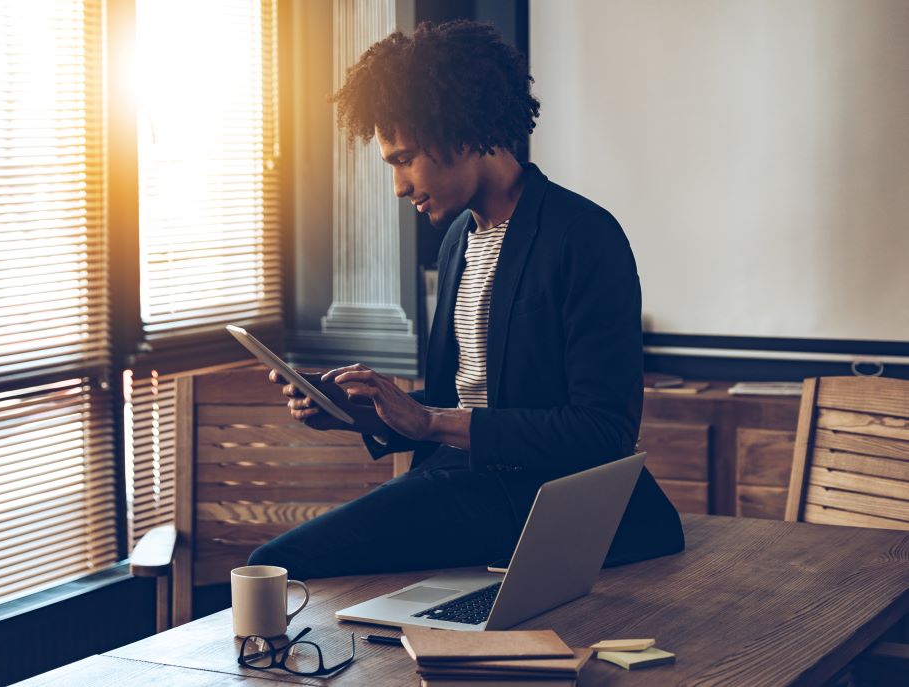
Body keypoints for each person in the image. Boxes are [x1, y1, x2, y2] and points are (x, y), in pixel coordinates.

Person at [248, 20, 684, 580]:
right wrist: (359, 413)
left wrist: (428, 422)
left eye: (404, 159)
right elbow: (465, 398)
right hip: (461, 479)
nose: (399, 186)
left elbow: (602, 432)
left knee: (273, 567)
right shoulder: (459, 240)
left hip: (538, 496)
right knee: (285, 568)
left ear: (460, 133)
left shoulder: (584, 236)